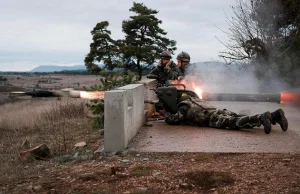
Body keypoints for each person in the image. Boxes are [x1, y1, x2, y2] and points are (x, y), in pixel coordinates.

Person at [161, 93, 288, 134]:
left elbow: (174, 119)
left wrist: (164, 114)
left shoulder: (184, 105)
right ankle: (275, 115)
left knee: (236, 123)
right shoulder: (194, 99)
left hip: (212, 117)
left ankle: (261, 117)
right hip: (218, 111)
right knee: (240, 118)